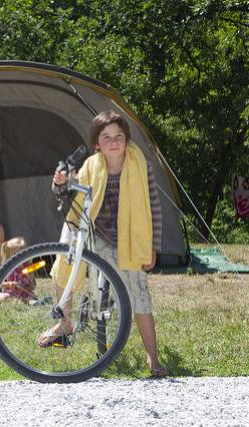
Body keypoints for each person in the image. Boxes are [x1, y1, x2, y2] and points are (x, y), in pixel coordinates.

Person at [44, 110, 168, 378]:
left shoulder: (139, 164)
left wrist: (152, 246)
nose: (114, 142)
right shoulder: (91, 165)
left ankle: (153, 357)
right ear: (97, 143)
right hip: (95, 234)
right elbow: (67, 194)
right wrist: (61, 183)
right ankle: (64, 322)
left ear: (127, 140)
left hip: (130, 241)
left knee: (139, 296)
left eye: (119, 136)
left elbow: (154, 207)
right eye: (106, 137)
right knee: (67, 248)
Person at [0, 237, 38, 304]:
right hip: (10, 293)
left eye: (24, 252)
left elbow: (33, 285)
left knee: (31, 297)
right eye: (19, 254)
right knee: (3, 296)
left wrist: (24, 289)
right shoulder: (6, 268)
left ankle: (35, 303)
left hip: (25, 293)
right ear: (10, 256)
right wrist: (9, 284)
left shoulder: (28, 267)